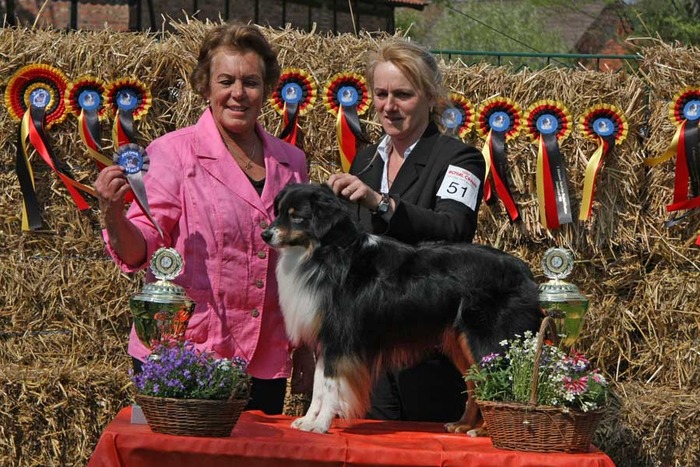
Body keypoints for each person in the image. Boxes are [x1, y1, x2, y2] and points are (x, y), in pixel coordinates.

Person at [94, 23, 309, 415]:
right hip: (185, 356)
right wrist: (111, 213)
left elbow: (301, 266)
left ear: (268, 89)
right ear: (205, 87)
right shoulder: (172, 154)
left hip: (265, 360)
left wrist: (309, 353)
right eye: (225, 81)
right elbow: (140, 250)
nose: (238, 94)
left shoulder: (292, 163)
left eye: (251, 82)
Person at [327, 39, 486, 423]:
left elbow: (453, 228)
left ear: (430, 97)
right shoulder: (365, 159)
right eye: (380, 94)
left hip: (430, 350)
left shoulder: (460, 157)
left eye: (403, 94)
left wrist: (382, 202)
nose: (388, 106)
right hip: (372, 354)